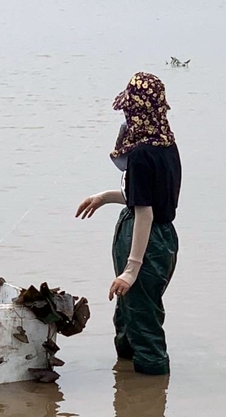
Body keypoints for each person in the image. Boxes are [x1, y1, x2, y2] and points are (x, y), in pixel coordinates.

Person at [76, 72, 182, 376]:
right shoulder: (167, 146)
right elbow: (152, 198)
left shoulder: (139, 155)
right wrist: (105, 197)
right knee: (128, 312)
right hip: (165, 239)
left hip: (145, 241)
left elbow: (145, 213)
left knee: (143, 318)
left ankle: (150, 387)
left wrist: (131, 270)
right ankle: (126, 384)